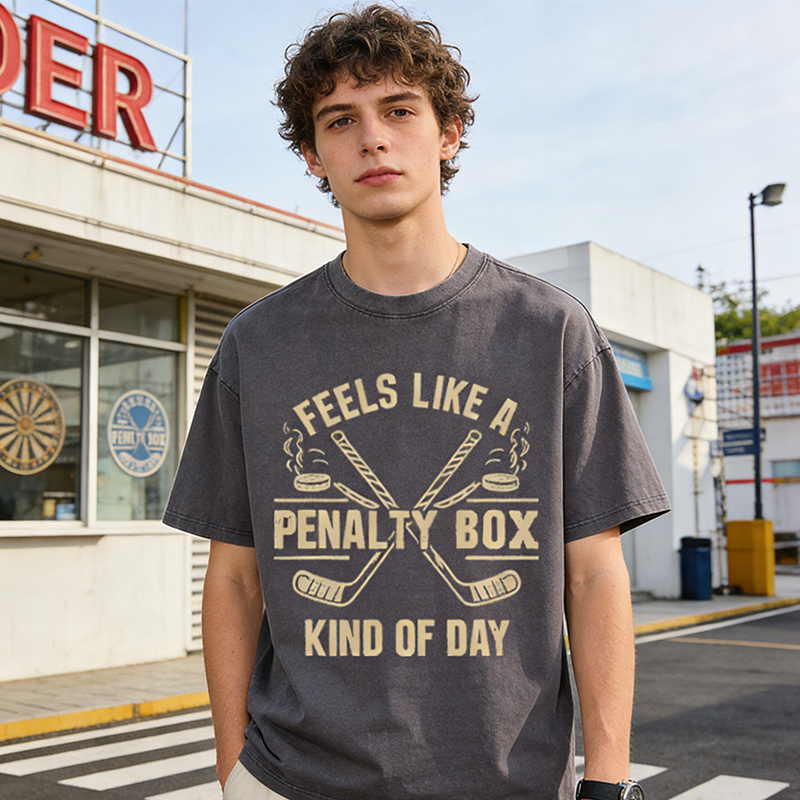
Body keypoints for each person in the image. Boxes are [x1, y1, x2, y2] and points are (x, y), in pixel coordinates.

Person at [163, 6, 670, 800]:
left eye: (399, 110)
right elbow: (232, 578)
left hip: (508, 782)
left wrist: (607, 777)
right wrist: (233, 772)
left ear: (449, 134)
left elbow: (594, 573)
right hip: (294, 781)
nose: (373, 138)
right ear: (312, 155)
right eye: (340, 120)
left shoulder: (550, 333)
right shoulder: (258, 347)